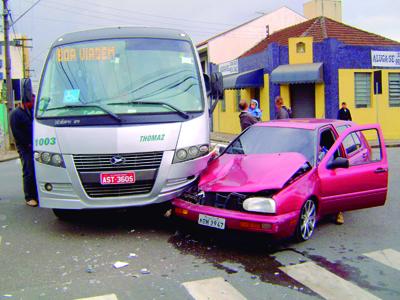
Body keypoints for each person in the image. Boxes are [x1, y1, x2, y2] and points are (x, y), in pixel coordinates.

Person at [10, 93, 38, 207]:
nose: (34, 104)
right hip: (24, 147)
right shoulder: (16, 114)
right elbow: (17, 133)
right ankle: (29, 196)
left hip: (34, 145)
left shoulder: (30, 112)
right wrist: (27, 144)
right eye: (32, 101)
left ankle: (36, 194)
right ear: (27, 101)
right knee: (28, 170)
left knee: (36, 170)